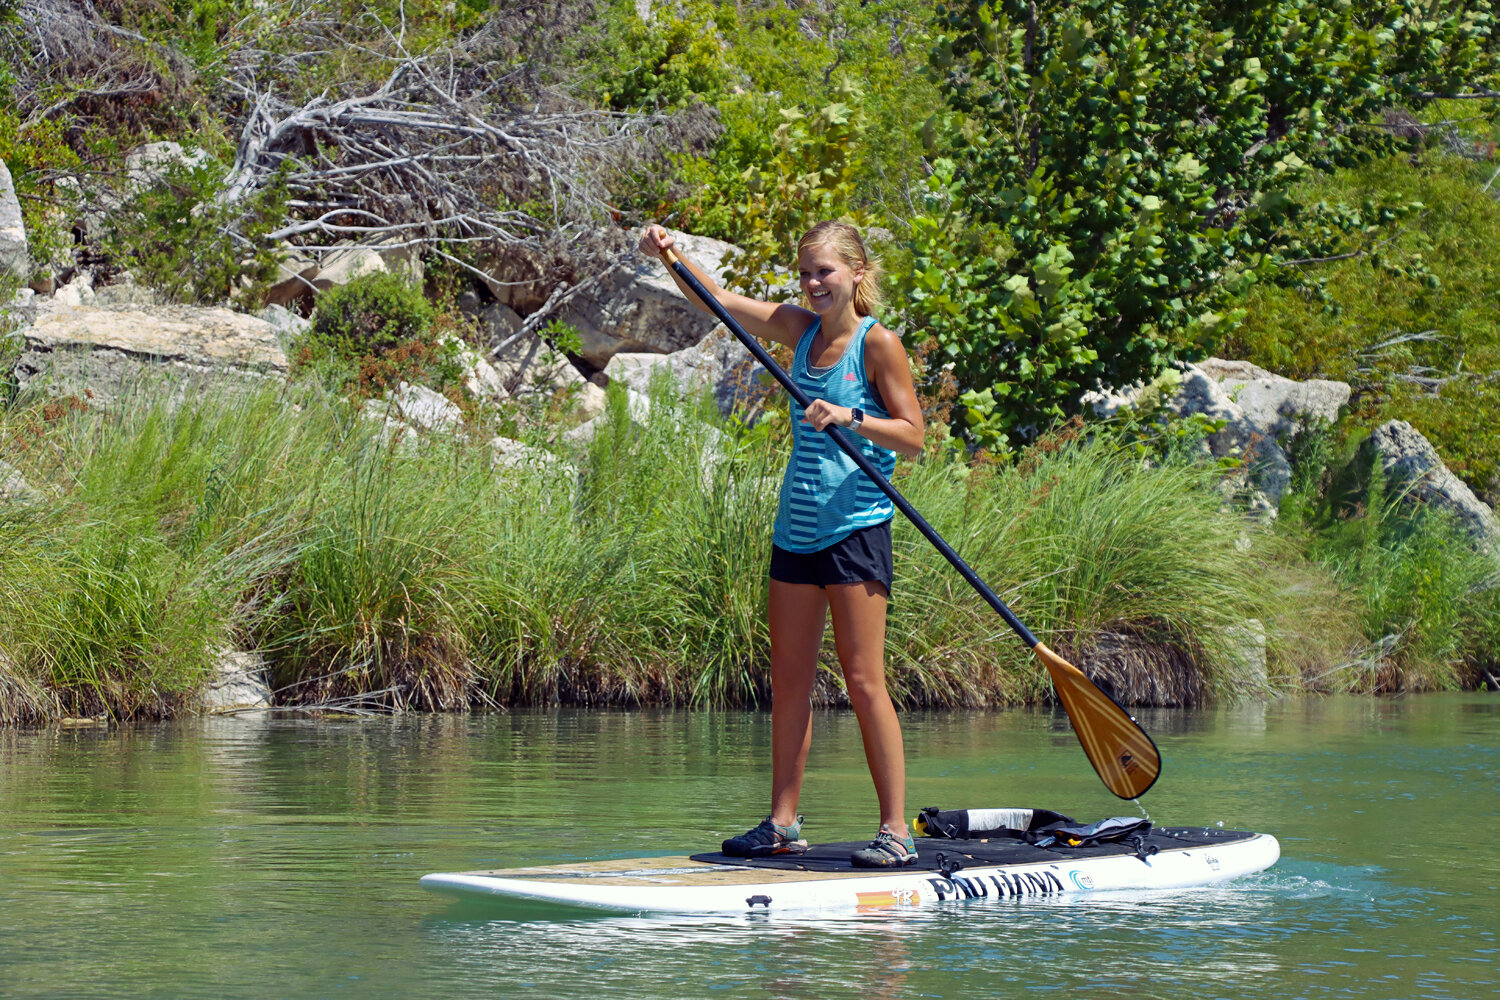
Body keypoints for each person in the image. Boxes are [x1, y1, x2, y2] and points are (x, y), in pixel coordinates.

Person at [637, 221, 926, 868]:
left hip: (856, 530)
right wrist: (669, 255)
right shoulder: (797, 330)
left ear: (856, 273)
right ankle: (782, 823)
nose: (813, 284)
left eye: (825, 271)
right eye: (805, 273)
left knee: (863, 680)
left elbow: (914, 437)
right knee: (789, 681)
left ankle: (895, 831)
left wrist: (850, 416)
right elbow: (714, 302)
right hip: (794, 532)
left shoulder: (878, 346)